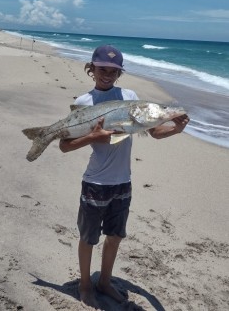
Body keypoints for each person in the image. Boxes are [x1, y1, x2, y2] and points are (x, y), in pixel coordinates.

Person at [59, 45, 189, 308]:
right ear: (91, 69)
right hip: (95, 182)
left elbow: (152, 131)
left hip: (122, 182)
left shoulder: (129, 97)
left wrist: (175, 128)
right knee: (88, 238)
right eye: (102, 69)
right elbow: (64, 145)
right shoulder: (84, 102)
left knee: (115, 236)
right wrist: (93, 137)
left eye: (113, 71)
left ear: (120, 74)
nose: (107, 75)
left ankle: (105, 281)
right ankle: (85, 284)